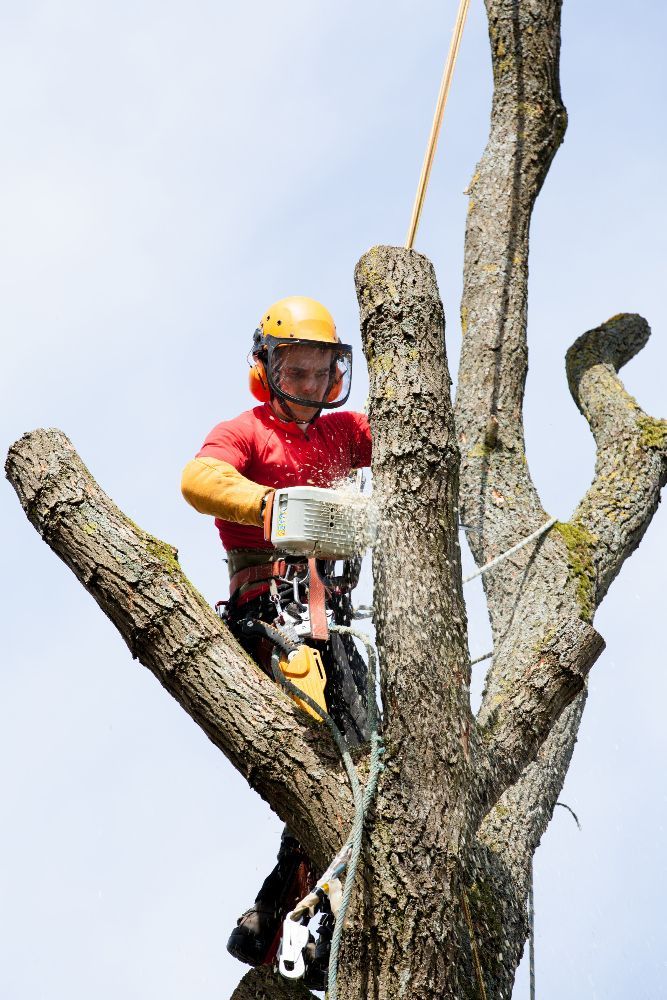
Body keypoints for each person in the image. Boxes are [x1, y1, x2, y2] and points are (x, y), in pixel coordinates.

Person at [181, 296, 372, 986]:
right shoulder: (246, 434)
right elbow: (198, 479)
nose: (312, 388)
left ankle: (281, 917)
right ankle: (292, 923)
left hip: (335, 623)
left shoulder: (344, 434)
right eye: (297, 373)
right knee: (328, 759)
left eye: (323, 374)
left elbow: (414, 436)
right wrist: (266, 505)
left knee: (365, 756)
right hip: (273, 615)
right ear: (267, 371)